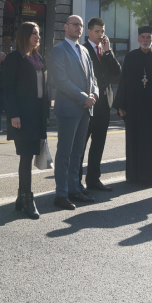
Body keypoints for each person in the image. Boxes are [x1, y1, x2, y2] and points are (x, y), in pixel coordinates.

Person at [113, 25, 152, 185]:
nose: (145, 40)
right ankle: (134, 176)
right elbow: (123, 83)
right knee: (134, 141)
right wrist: (121, 104)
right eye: (142, 37)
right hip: (134, 108)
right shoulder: (130, 57)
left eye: (148, 37)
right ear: (138, 39)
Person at [48, 15, 99, 210]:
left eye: (81, 25)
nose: (78, 28)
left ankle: (74, 189)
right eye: (75, 24)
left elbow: (92, 78)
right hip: (69, 109)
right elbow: (61, 80)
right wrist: (82, 97)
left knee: (78, 153)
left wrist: (93, 95)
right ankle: (61, 194)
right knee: (65, 154)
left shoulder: (84, 50)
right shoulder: (58, 51)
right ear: (66, 27)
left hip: (86, 109)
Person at [4, 23, 50, 219]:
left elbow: (44, 88)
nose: (37, 37)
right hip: (22, 115)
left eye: (38, 33)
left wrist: (46, 113)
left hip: (38, 114)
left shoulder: (38, 58)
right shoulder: (14, 58)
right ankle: (28, 200)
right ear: (24, 35)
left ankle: (20, 197)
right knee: (25, 157)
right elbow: (7, 89)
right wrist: (14, 114)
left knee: (30, 155)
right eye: (33, 34)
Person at [80, 17, 122, 192]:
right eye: (97, 31)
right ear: (89, 31)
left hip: (104, 103)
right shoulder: (82, 49)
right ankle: (75, 180)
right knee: (81, 144)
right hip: (88, 104)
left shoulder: (105, 50)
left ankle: (93, 179)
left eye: (102, 31)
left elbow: (117, 72)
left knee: (99, 143)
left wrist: (108, 51)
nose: (100, 35)